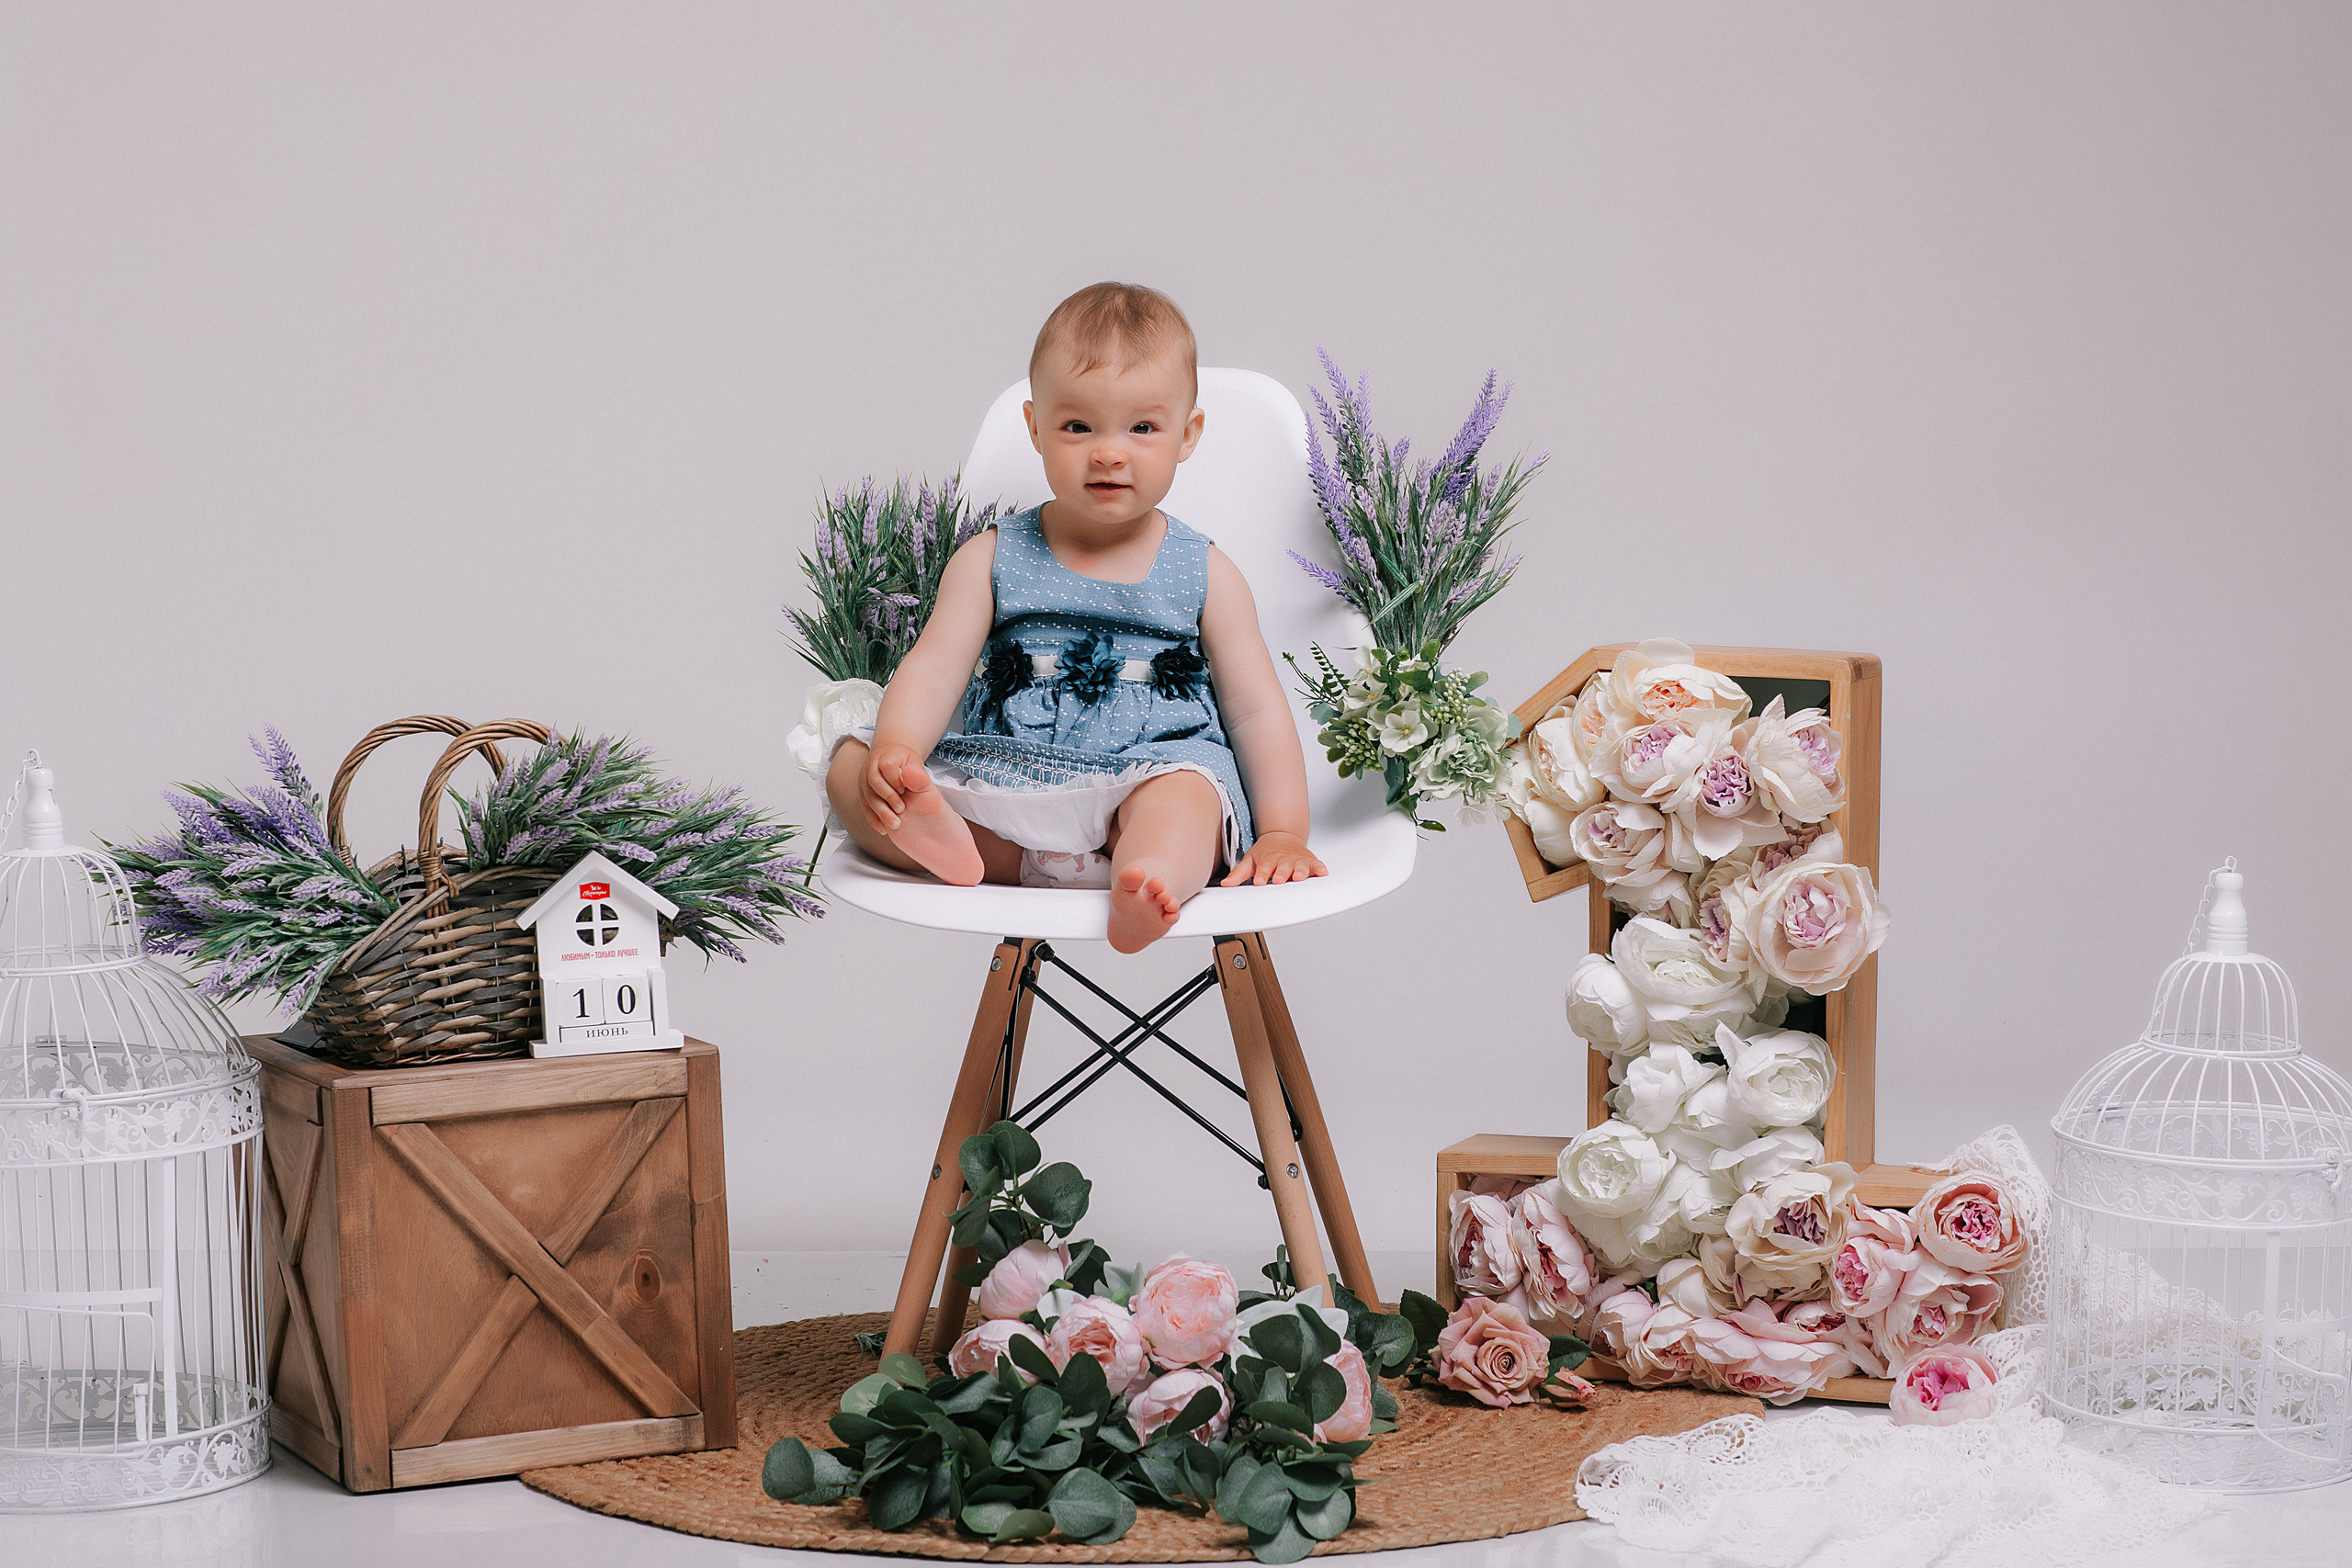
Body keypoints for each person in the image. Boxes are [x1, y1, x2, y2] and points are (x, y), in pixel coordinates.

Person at [824, 282, 1326, 952]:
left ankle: (1147, 879)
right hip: (1008, 776)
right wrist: (898, 749)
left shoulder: (1204, 571)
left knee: (1185, 803)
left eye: (1142, 428)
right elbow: (936, 667)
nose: (1108, 452)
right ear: (1035, 428)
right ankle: (958, 845)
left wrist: (1284, 831)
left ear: (1188, 434)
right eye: (1078, 426)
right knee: (848, 767)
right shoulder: (991, 556)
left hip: (1148, 772)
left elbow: (1258, 711)